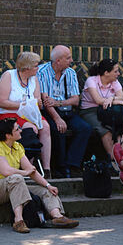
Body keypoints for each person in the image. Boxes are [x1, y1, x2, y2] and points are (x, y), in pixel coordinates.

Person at [0, 118, 79, 233]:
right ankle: (19, 221)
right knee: (17, 178)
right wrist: (24, 173)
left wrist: (48, 185)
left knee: (45, 190)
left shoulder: (17, 147)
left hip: (12, 185)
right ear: (8, 135)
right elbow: (6, 171)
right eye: (17, 129)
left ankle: (57, 217)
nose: (21, 130)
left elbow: (31, 171)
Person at [37, 45, 92, 179]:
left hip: (66, 110)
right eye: (68, 58)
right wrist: (57, 118)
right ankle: (60, 167)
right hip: (49, 111)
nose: (71, 60)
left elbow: (75, 100)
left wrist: (59, 103)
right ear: (58, 61)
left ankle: (72, 165)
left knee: (85, 128)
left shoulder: (70, 73)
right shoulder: (41, 72)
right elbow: (45, 100)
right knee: (56, 129)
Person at [0, 51, 52, 179]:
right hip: (9, 113)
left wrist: (39, 103)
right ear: (27, 67)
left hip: (28, 113)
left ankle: (46, 169)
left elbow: (37, 100)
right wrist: (24, 104)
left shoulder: (34, 79)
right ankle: (28, 167)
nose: (38, 68)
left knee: (46, 127)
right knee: (31, 128)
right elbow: (2, 102)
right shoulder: (8, 76)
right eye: (36, 65)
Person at [79, 58, 123, 159]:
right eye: (115, 71)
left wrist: (112, 98)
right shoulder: (91, 81)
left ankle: (120, 159)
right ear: (106, 73)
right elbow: (98, 100)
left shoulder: (114, 81)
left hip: (108, 110)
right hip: (90, 111)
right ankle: (113, 160)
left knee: (122, 130)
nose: (118, 73)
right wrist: (115, 100)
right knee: (105, 131)